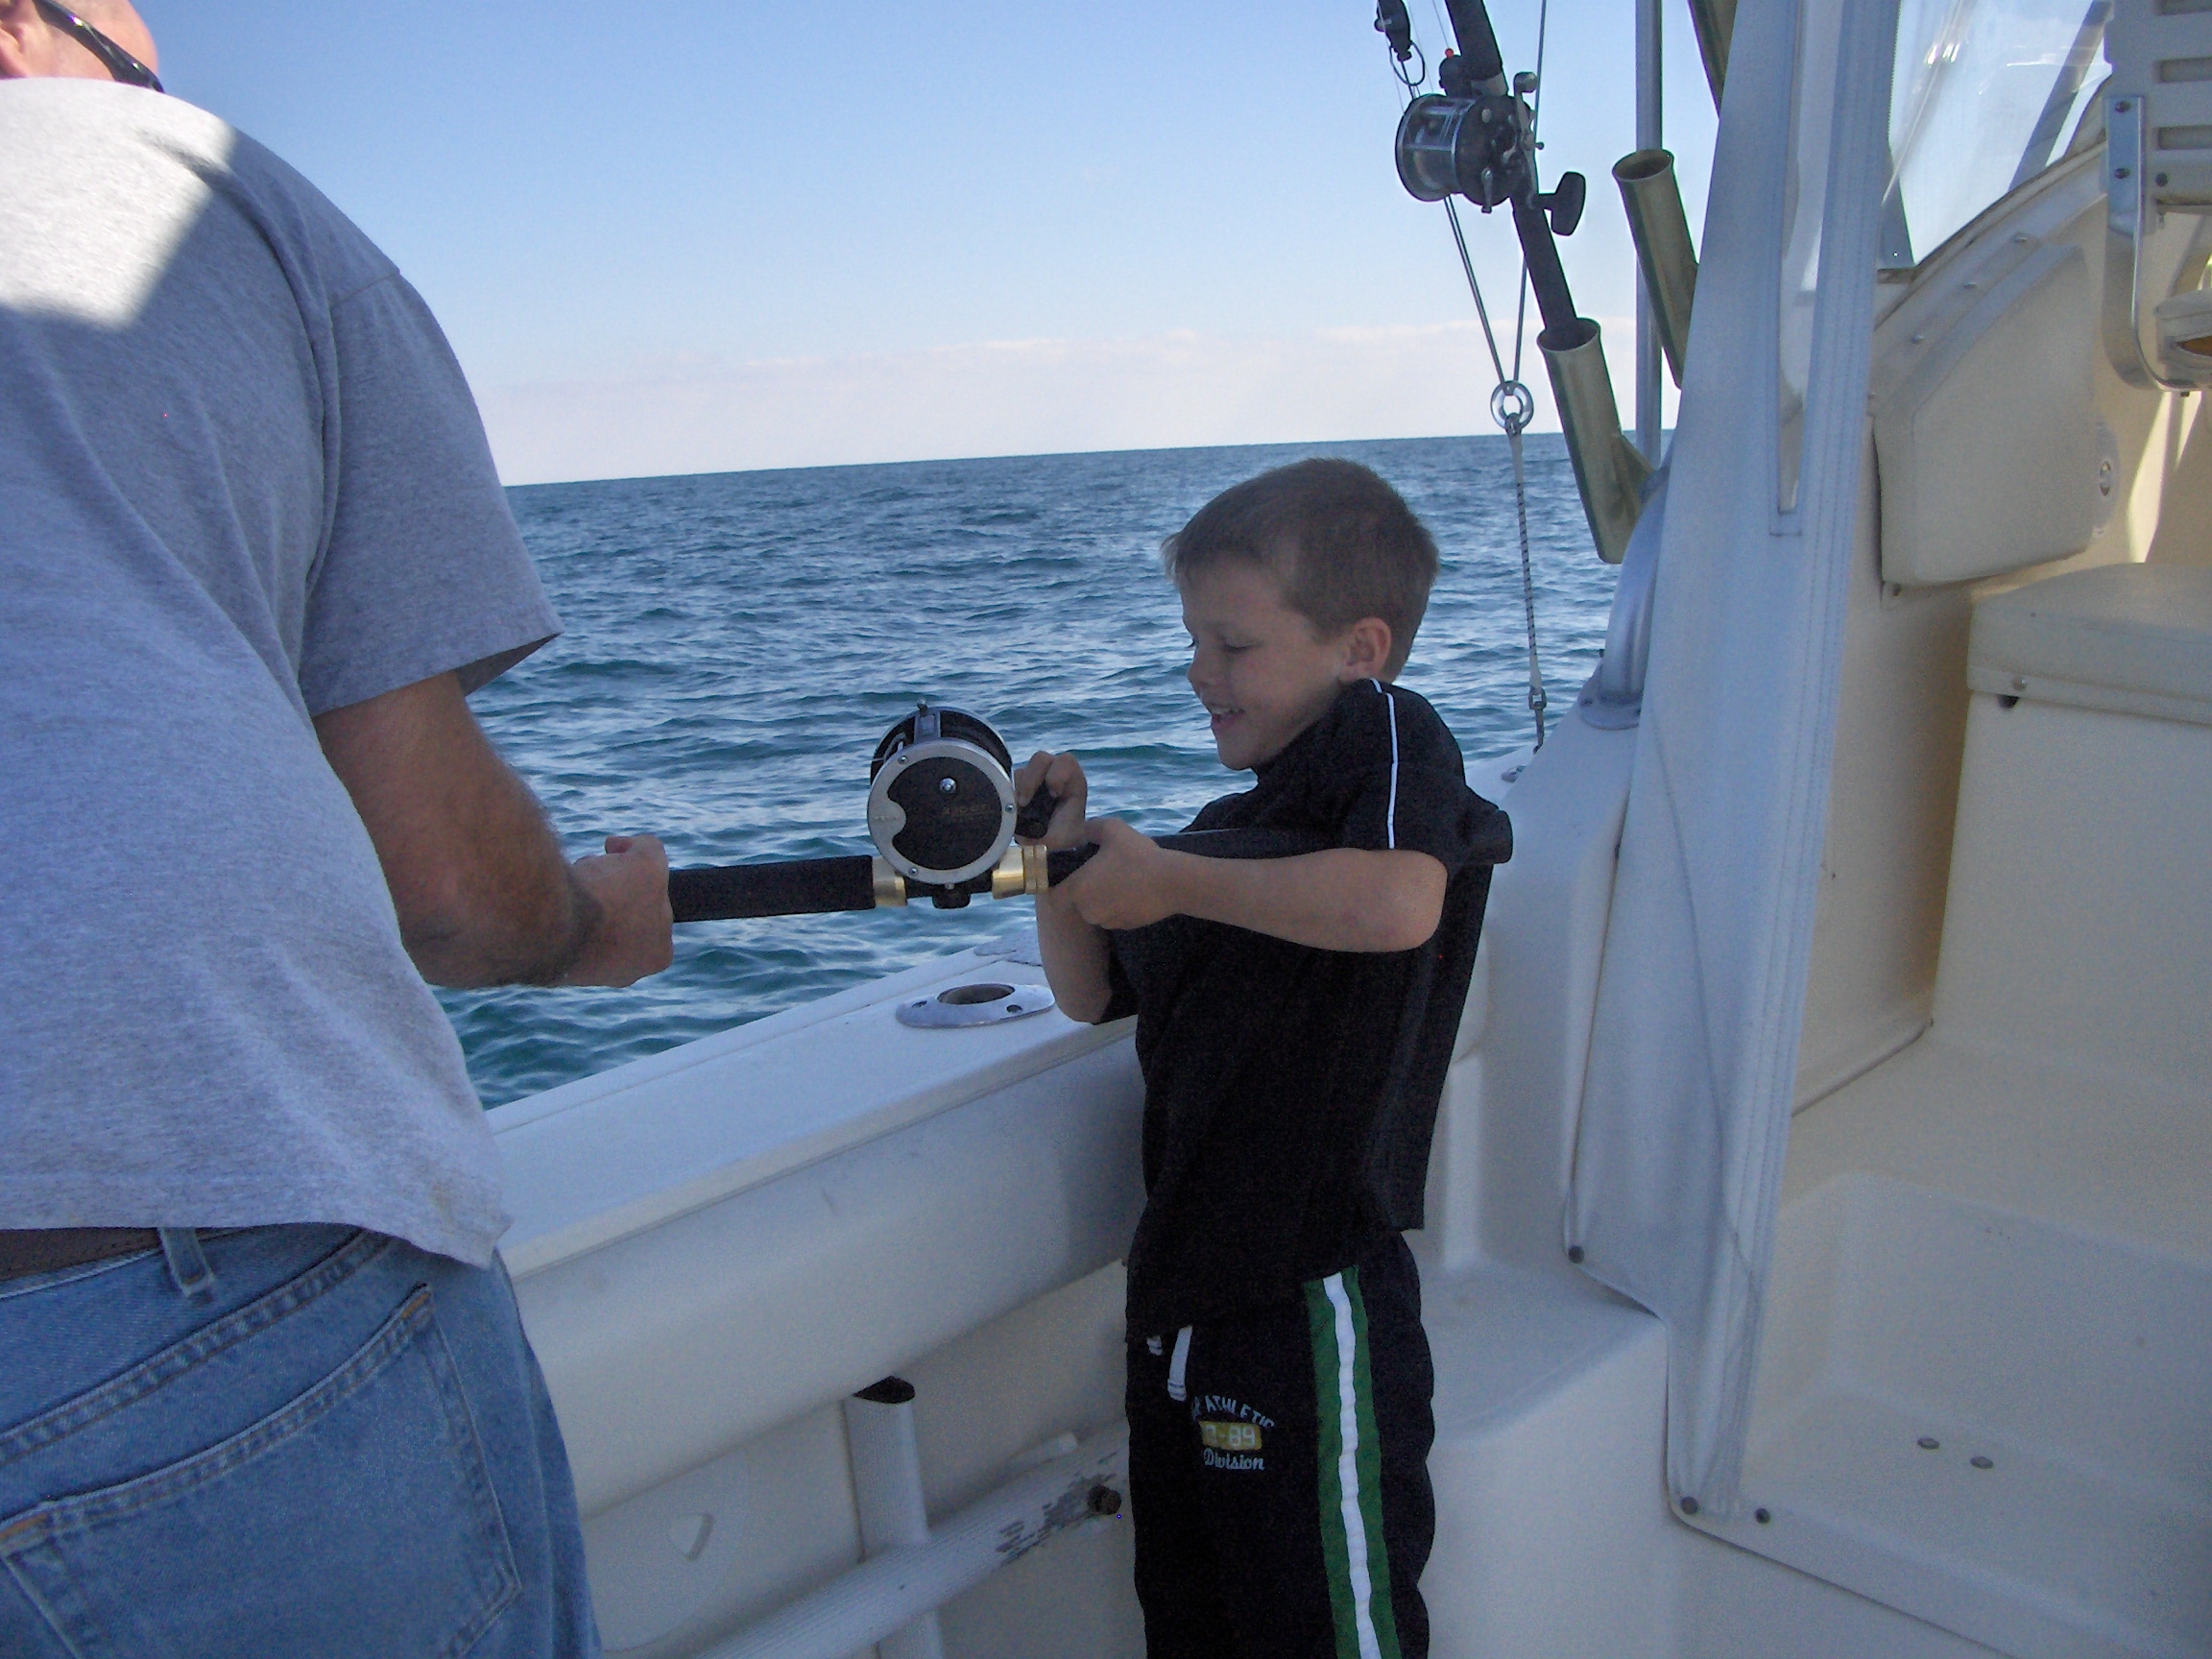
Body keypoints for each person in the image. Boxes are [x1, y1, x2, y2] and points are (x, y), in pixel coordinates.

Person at [0, 7, 672, 1654]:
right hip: (156, 1299)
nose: (158, 94)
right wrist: (591, 926)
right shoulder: (213, 195)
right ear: (29, 32)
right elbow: (442, 881)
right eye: (134, 55)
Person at [1019, 458, 1501, 1658]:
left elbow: (1398, 905)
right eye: (1194, 642)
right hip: (1185, 1307)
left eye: (1232, 646)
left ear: (1360, 646)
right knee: (1195, 1621)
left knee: (1328, 1628)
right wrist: (1060, 862)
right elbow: (1089, 994)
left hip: (1310, 1300)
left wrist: (1170, 876)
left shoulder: (1387, 741)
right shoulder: (1234, 842)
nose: (1199, 674)